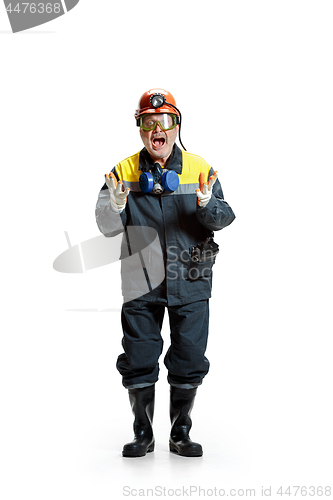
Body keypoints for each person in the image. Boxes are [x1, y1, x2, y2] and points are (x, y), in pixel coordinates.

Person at [95, 88, 235, 458]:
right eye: (148, 122)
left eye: (165, 121)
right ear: (140, 129)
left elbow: (223, 218)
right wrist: (116, 203)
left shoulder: (199, 168)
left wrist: (207, 203)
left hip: (191, 278)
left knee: (189, 355)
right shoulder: (123, 171)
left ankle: (180, 430)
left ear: (176, 125)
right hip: (141, 282)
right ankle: (143, 431)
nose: (157, 129)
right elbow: (107, 226)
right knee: (139, 355)